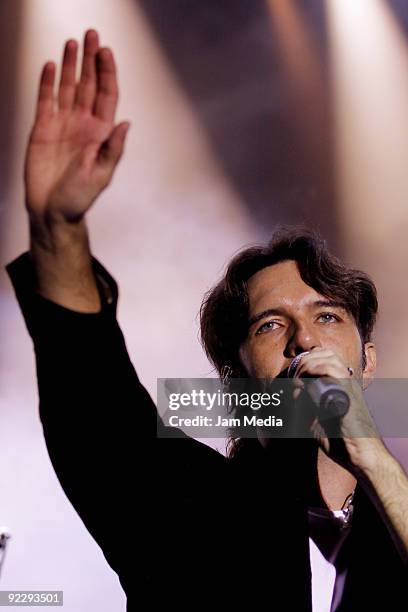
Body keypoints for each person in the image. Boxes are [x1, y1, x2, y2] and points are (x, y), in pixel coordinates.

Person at [6, 30, 408, 611]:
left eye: (327, 316)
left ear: (366, 363)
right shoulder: (192, 505)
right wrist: (56, 229)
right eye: (269, 325)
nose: (304, 339)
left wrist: (372, 458)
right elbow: (97, 412)